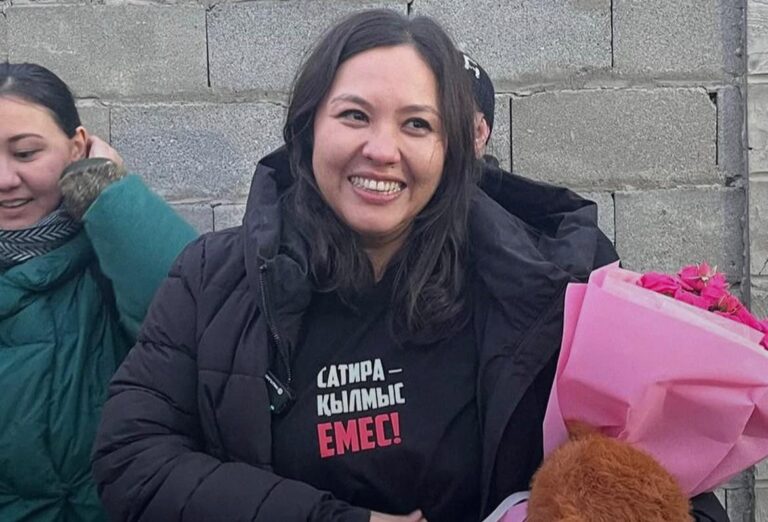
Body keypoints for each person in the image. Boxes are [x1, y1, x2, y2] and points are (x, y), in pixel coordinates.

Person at [91, 9, 714, 521]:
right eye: (354, 115)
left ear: (454, 148)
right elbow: (131, 458)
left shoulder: (552, 281)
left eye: (417, 124)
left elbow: (680, 484)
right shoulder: (212, 278)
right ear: (308, 129)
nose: (381, 149)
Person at [461, 55, 729, 521]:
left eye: (427, 119)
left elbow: (636, 420)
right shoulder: (349, 254)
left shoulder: (568, 243)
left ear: (479, 132)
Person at [0, 62, 197, 521]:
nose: (4, 179)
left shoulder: (115, 253)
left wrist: (109, 194)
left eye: (25, 153)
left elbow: (194, 319)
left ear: (76, 147)